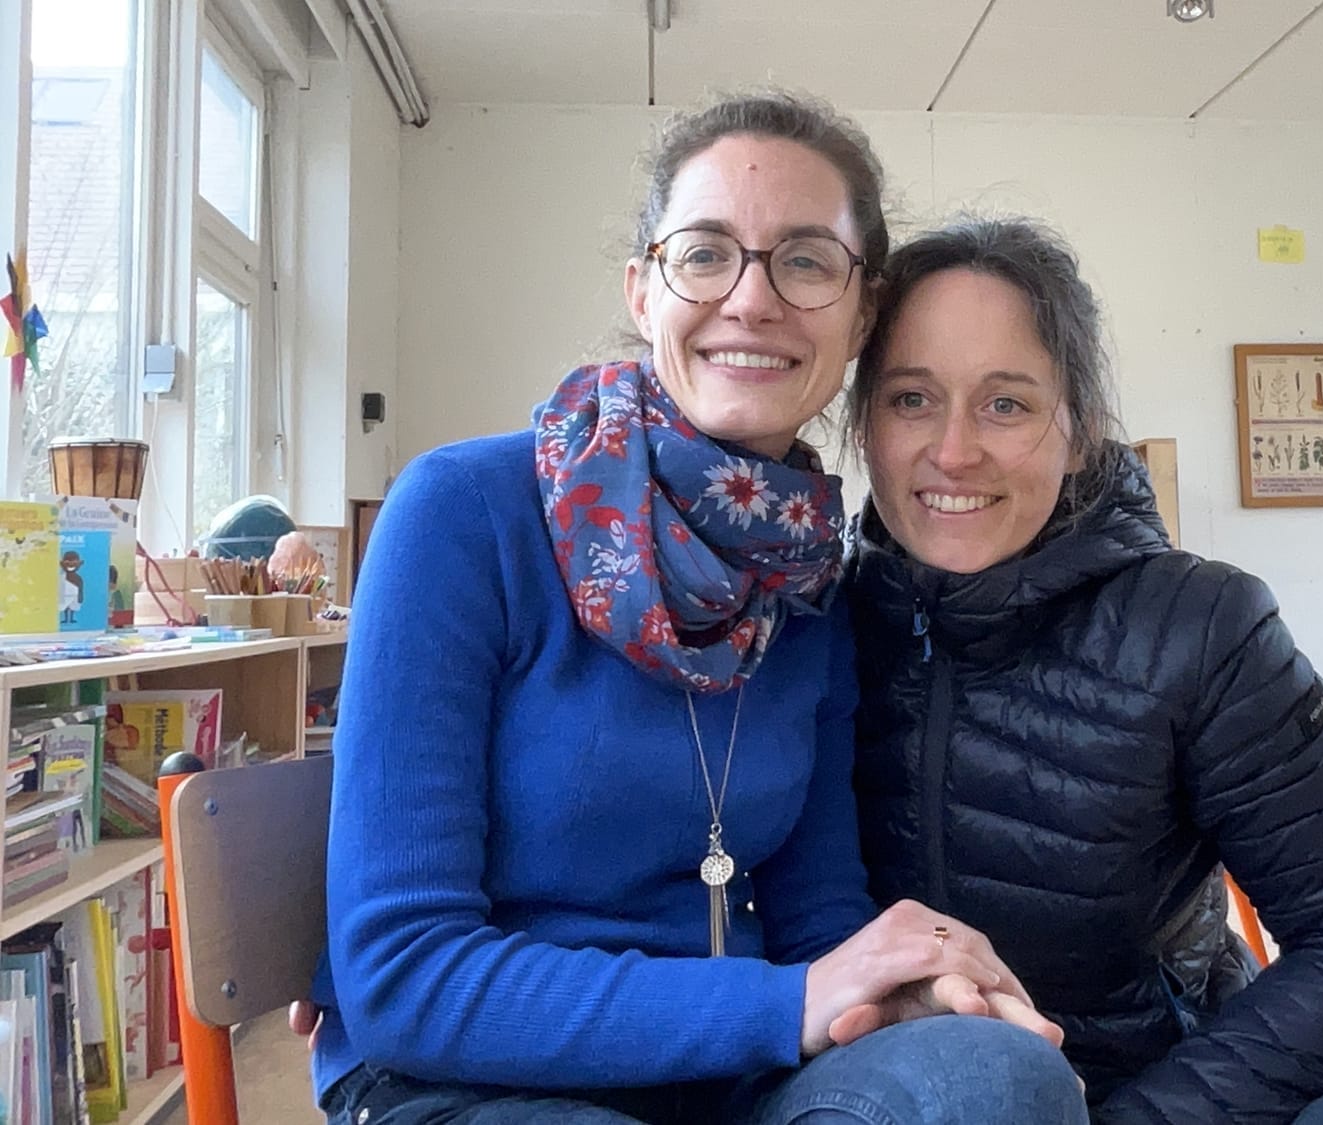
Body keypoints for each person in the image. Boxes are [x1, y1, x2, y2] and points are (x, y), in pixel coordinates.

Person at [308, 98, 1088, 1125]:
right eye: (705, 254)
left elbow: (819, 920)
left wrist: (904, 990)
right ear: (643, 289)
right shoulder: (462, 512)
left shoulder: (810, 580)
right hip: (469, 1079)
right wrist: (789, 1000)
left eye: (805, 261)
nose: (752, 300)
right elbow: (406, 977)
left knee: (995, 1080)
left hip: (738, 1073)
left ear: (862, 313)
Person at [845, 218, 1323, 1124]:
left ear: (1080, 430)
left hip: (1162, 1086)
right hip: (901, 1091)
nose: (954, 450)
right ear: (865, 424)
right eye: (911, 398)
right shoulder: (813, 622)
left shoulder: (1201, 628)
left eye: (1007, 404)